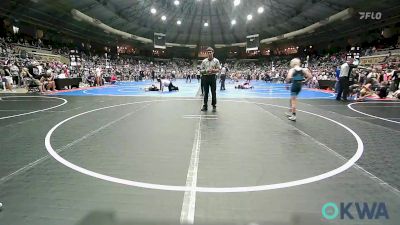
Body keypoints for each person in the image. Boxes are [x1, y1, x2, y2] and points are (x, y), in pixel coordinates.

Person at [200, 47, 221, 112]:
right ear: (207, 53)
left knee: (213, 92)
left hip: (212, 77)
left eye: (210, 52)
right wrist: (206, 71)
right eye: (208, 52)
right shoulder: (204, 61)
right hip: (205, 78)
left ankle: (214, 106)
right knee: (206, 93)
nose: (209, 53)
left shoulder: (216, 61)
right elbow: (201, 70)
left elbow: (218, 69)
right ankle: (205, 106)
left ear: (213, 52)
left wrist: (213, 70)